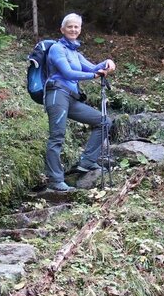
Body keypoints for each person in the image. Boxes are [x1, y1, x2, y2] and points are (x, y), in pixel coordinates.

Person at [44, 13, 117, 192]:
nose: (74, 29)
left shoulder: (75, 52)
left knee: (103, 121)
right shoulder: (57, 49)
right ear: (62, 29)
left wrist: (106, 61)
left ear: (80, 30)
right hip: (57, 95)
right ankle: (55, 179)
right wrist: (94, 75)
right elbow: (68, 73)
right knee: (57, 136)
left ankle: (87, 162)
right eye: (70, 26)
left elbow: (93, 67)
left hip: (71, 97)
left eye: (77, 27)